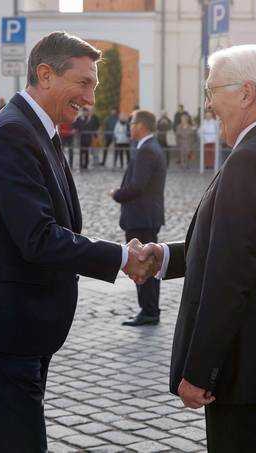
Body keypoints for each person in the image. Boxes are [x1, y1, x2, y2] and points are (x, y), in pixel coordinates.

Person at [0, 31, 154, 452]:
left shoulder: (38, 130)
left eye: (93, 85)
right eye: (83, 83)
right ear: (45, 74)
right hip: (0, 332)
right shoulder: (12, 133)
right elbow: (38, 238)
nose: (91, 98)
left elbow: (58, 227)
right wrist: (119, 257)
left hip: (19, 329)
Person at [137, 44, 256, 453]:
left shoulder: (253, 159)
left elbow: (230, 278)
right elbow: (240, 248)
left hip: (249, 372)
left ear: (246, 93)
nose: (207, 104)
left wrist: (200, 371)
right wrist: (165, 256)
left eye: (212, 91)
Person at [110, 110, 167, 326]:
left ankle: (149, 310)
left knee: (143, 264)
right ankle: (149, 309)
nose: (130, 126)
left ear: (141, 125)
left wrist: (117, 194)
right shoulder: (146, 147)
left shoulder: (147, 150)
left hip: (142, 217)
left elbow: (137, 187)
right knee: (146, 264)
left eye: (132, 122)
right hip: (144, 217)